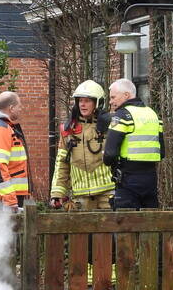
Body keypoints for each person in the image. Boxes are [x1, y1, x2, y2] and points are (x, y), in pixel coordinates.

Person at [50, 80, 114, 211]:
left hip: (107, 194)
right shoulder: (68, 129)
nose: (82, 105)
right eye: (80, 101)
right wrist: (57, 193)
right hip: (81, 196)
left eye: (88, 101)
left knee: (107, 231)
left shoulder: (111, 126)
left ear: (98, 103)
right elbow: (62, 162)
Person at [104, 78, 164, 209]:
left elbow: (109, 154)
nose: (111, 101)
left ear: (126, 95)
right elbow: (162, 151)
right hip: (150, 178)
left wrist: (113, 166)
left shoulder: (122, 116)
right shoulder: (153, 115)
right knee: (150, 223)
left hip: (127, 178)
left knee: (125, 224)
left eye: (113, 97)